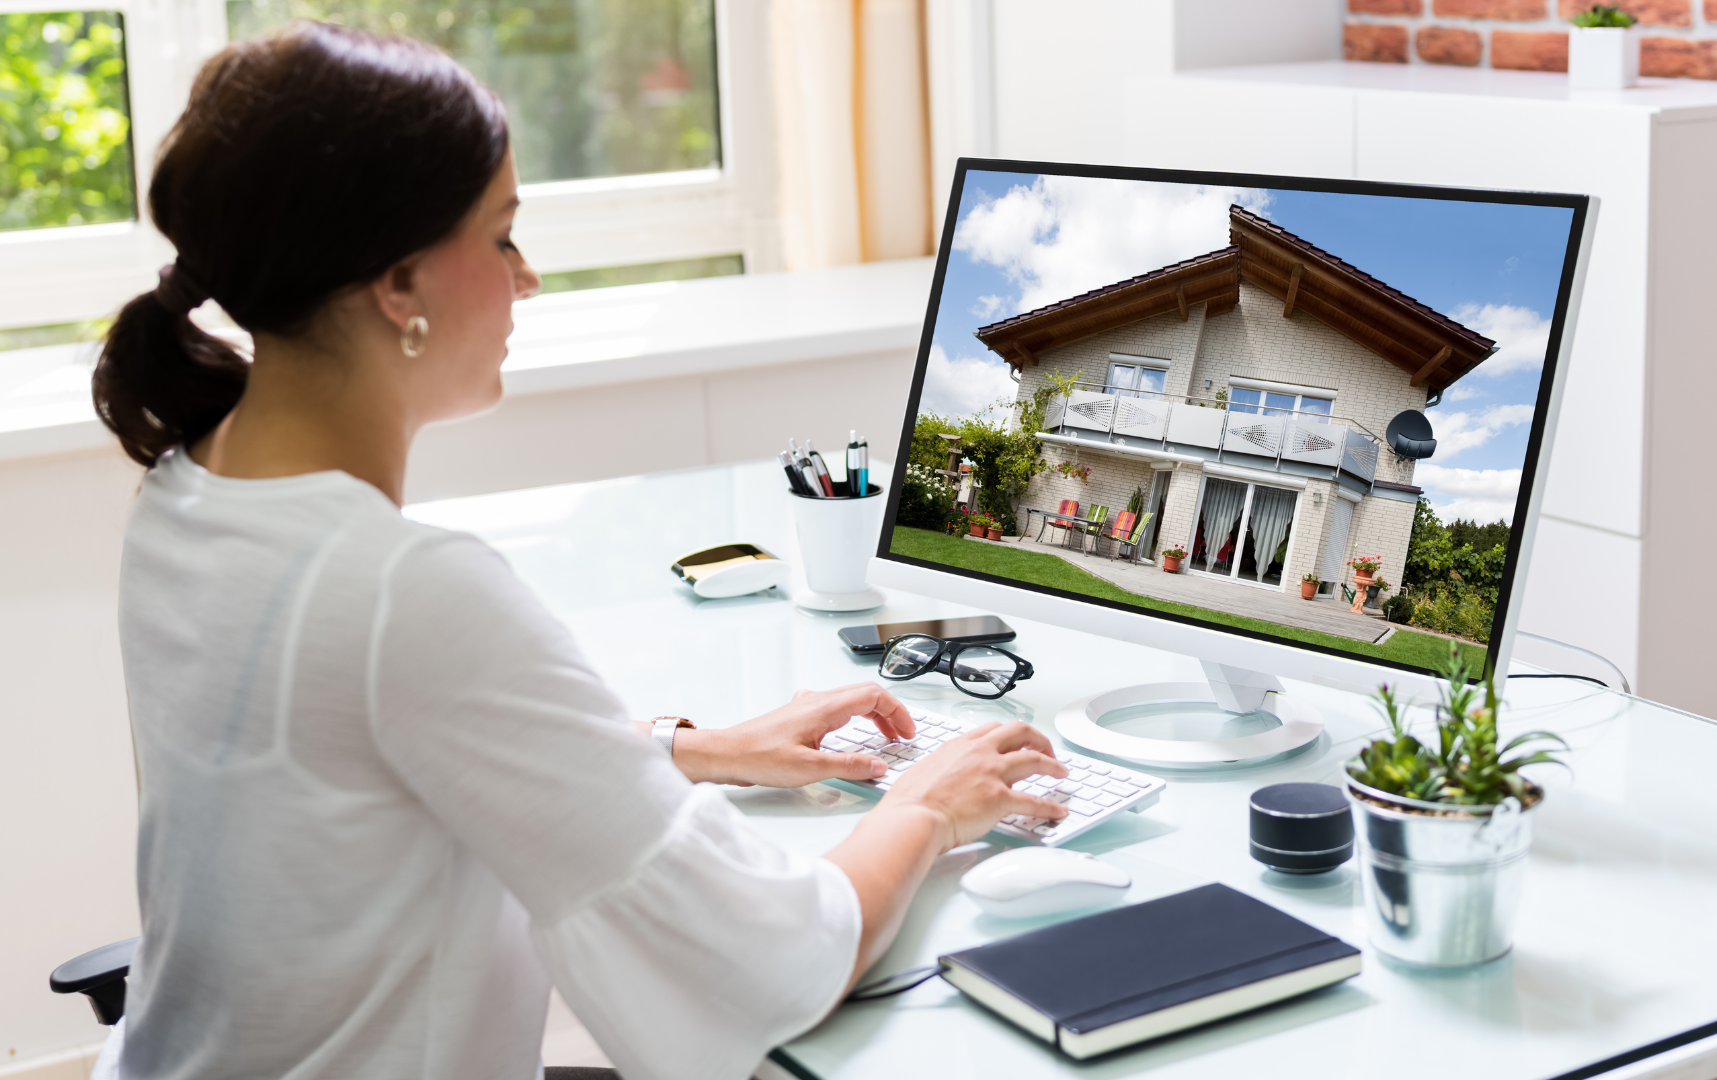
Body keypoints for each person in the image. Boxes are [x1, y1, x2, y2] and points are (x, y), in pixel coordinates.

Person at [89, 22, 1068, 1080]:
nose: (528, 279)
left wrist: (690, 749)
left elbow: (354, 771)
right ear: (401, 285)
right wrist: (927, 804)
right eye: (502, 235)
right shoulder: (401, 594)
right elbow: (767, 959)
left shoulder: (188, 490)